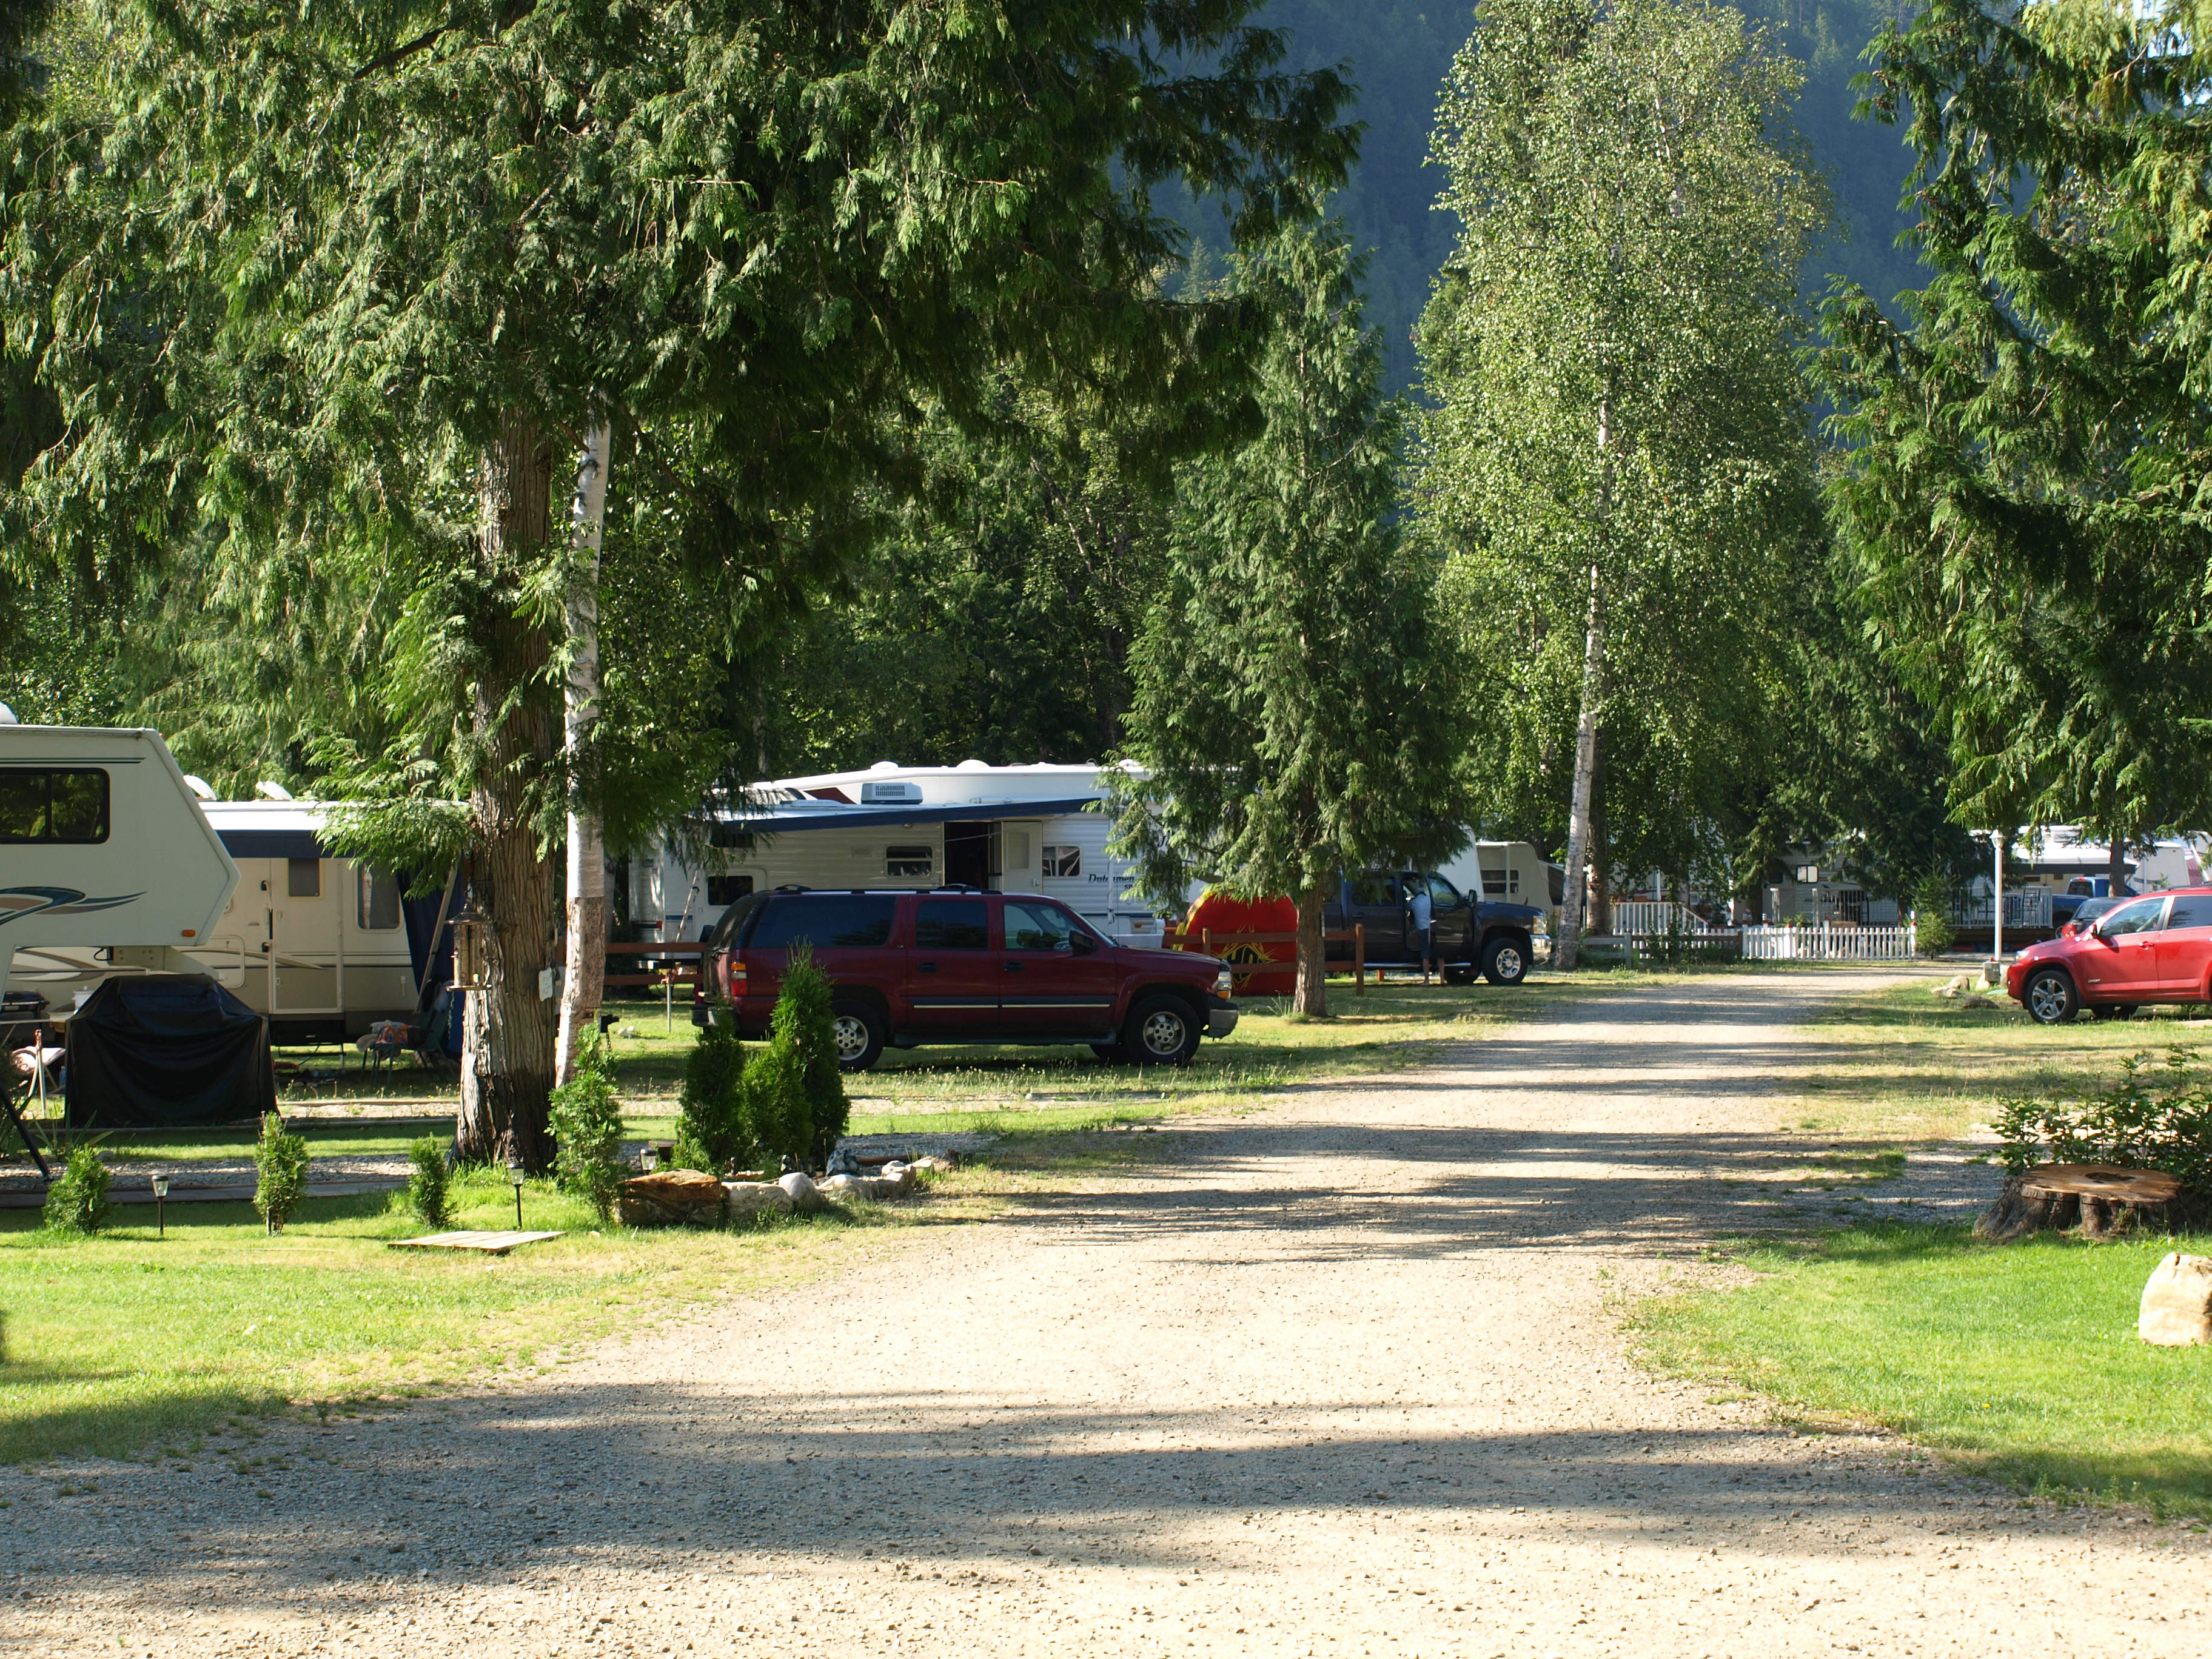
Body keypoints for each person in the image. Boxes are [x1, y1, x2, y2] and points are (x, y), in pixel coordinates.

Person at [1408, 879, 1435, 985]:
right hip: (1431, 928)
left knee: (1425, 956)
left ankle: (1426, 980)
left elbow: (1406, 908)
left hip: (1422, 930)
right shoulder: (1429, 899)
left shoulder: (1414, 903)